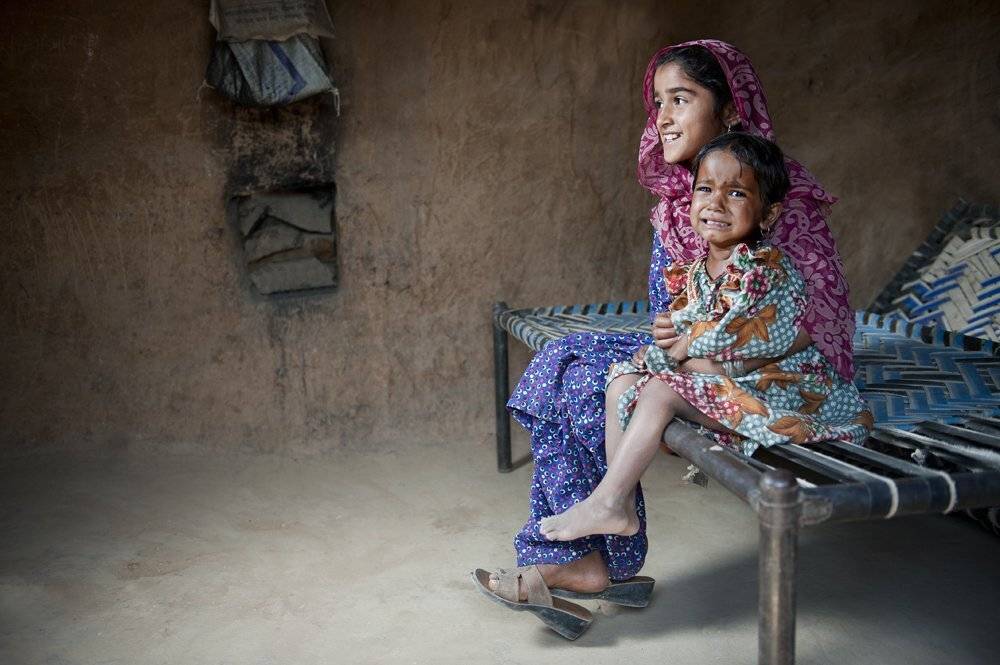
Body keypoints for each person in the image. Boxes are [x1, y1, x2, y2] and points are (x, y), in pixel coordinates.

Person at [472, 39, 855, 638]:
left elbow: (811, 317)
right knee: (562, 366)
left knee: (578, 374)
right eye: (658, 103)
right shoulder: (679, 199)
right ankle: (595, 560)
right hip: (695, 354)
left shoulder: (782, 198)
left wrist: (690, 342)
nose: (665, 117)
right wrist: (670, 327)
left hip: (765, 370)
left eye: (683, 99)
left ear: (727, 111)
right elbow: (672, 309)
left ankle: (590, 561)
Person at [538, 132, 872, 543]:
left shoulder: (765, 270)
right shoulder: (698, 270)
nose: (715, 204)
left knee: (660, 391)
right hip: (732, 380)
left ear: (768, 214)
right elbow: (687, 331)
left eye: (735, 193)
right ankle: (617, 502)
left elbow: (737, 344)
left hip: (783, 393)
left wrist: (676, 350)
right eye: (705, 189)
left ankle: (606, 503)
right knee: (620, 380)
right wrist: (667, 341)